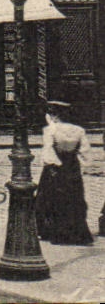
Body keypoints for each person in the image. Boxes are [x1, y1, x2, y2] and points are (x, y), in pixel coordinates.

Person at [35, 99, 94, 245]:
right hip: (72, 166)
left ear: (54, 115)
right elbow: (85, 152)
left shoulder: (50, 130)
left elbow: (48, 149)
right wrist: (84, 165)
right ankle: (77, 233)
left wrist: (53, 164)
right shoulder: (78, 130)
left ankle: (52, 231)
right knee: (74, 198)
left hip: (55, 167)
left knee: (49, 199)